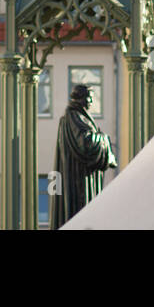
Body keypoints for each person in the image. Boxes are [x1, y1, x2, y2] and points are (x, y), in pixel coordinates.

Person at [50, 83, 117, 228]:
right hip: (79, 180)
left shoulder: (76, 117)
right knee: (82, 214)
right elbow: (86, 144)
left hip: (81, 177)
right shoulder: (74, 117)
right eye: (90, 98)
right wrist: (104, 140)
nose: (92, 102)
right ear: (81, 98)